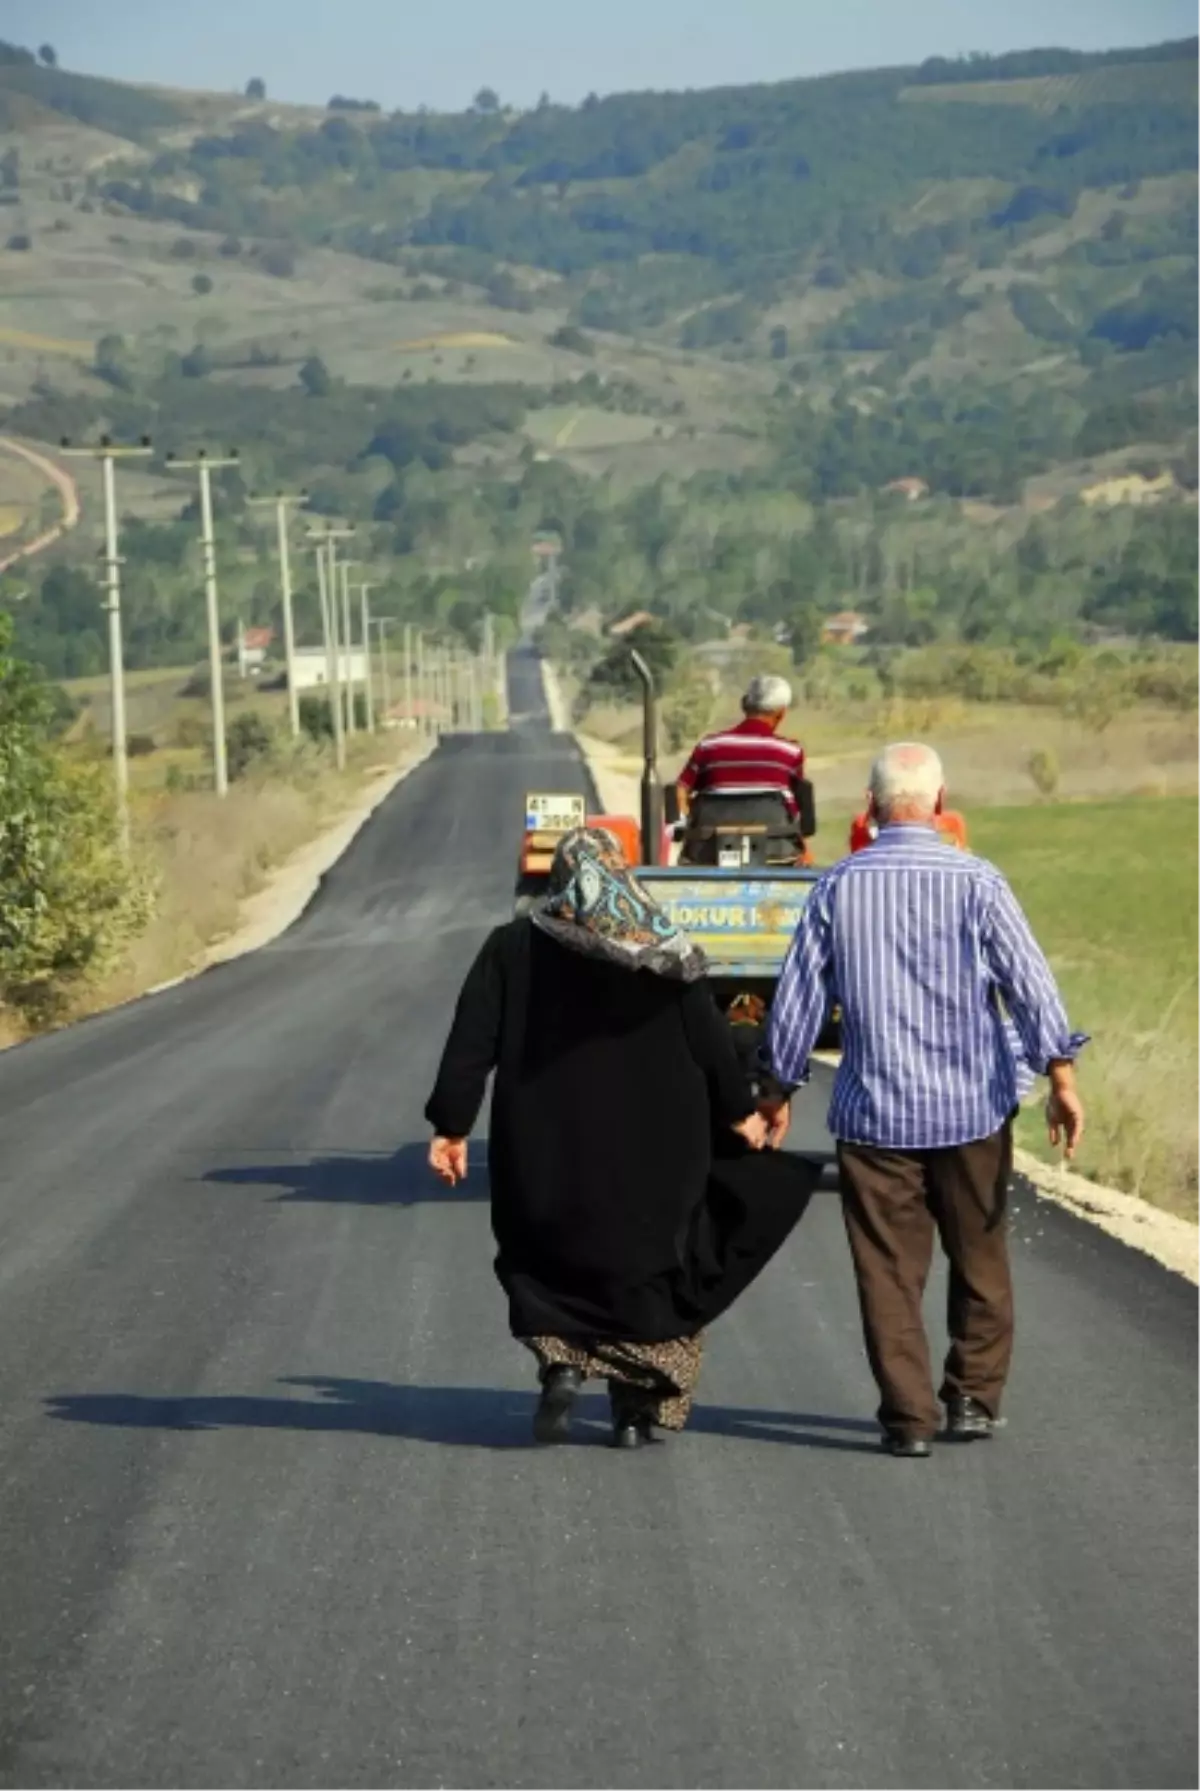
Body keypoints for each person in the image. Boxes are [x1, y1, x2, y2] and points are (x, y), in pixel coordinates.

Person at [426, 828, 815, 1449]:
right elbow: (710, 1042)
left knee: (549, 1255)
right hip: (657, 1152)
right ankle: (635, 1411)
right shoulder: (662, 949)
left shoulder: (512, 947)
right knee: (652, 1261)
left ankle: (563, 1363)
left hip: (544, 1147)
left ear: (559, 878)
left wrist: (452, 1126)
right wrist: (741, 1110)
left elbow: (472, 1042)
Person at [767, 742, 1087, 1459]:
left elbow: (797, 999)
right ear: (940, 803)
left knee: (887, 1270)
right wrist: (1061, 1077)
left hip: (875, 1116)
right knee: (980, 1254)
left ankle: (908, 1417)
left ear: (871, 806)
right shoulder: (978, 881)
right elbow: (1031, 986)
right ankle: (971, 1397)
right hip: (972, 1109)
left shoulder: (838, 886)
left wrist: (778, 1086)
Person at [676, 673, 813, 862]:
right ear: (781, 713)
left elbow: (681, 790)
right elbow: (796, 809)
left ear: (744, 705)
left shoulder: (709, 746)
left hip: (706, 853)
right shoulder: (790, 752)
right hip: (776, 853)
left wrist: (686, 822)